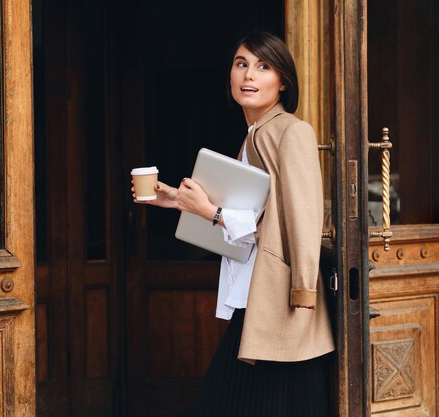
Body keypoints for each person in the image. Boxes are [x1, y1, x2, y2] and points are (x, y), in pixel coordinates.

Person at [133, 31, 335, 417]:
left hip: (281, 302)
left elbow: (302, 219)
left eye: (263, 66)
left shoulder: (292, 131)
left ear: (283, 82)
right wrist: (177, 199)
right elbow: (252, 217)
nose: (249, 75)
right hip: (257, 298)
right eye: (242, 64)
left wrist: (303, 294)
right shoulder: (253, 136)